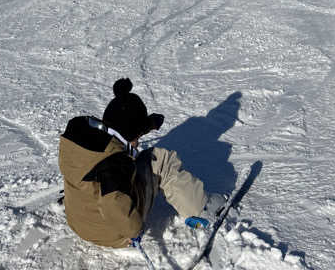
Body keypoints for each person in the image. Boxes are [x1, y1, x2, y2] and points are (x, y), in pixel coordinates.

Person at [58, 78, 225, 249]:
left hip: (79, 222)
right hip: (113, 233)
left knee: (118, 161)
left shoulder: (80, 140)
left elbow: (123, 129)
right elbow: (111, 203)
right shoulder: (115, 165)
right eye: (137, 137)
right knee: (160, 160)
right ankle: (201, 208)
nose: (138, 142)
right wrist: (133, 230)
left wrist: (145, 126)